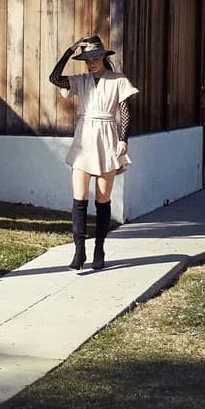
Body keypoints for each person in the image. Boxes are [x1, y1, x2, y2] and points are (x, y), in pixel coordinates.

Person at [49, 34, 138, 271]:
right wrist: (69, 51)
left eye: (96, 57)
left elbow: (125, 111)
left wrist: (123, 139)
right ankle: (79, 251)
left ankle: (99, 248)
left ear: (103, 57)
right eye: (88, 59)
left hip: (108, 137)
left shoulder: (118, 80)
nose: (92, 62)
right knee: (79, 200)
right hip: (84, 139)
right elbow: (55, 78)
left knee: (102, 200)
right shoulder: (80, 80)